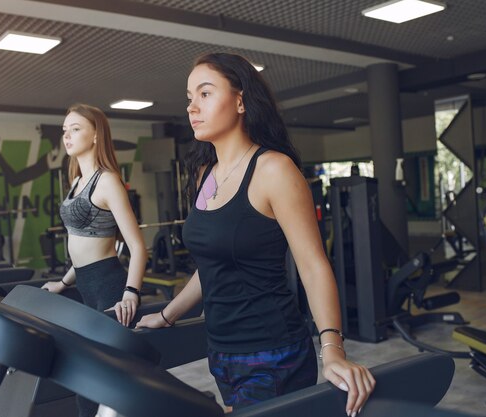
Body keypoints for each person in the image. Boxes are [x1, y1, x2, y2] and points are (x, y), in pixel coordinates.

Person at [136, 53, 375, 415]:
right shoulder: (204, 175)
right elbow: (212, 266)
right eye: (189, 98)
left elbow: (312, 266)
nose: (192, 107)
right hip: (220, 350)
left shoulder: (274, 170)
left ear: (240, 100)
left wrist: (333, 351)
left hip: (273, 352)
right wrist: (168, 315)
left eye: (204, 93)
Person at [42, 103, 147, 417]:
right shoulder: (76, 182)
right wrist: (63, 282)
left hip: (109, 287)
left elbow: (137, 247)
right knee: (88, 381)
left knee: (100, 382)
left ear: (96, 134)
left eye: (75, 129)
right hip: (86, 285)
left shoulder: (108, 181)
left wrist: (132, 292)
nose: (67, 136)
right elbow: (84, 246)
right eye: (65, 130)